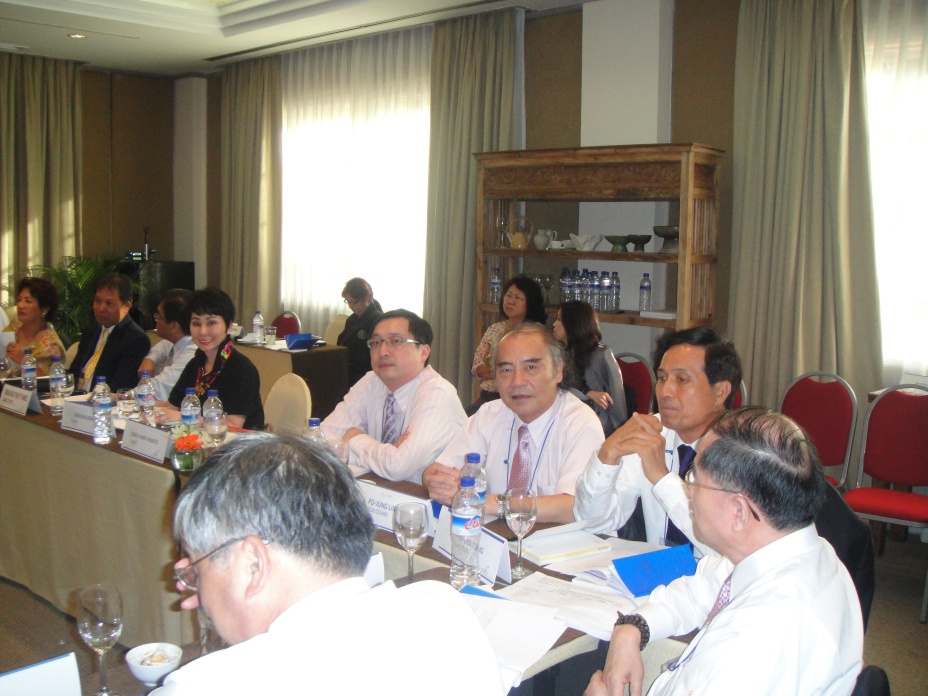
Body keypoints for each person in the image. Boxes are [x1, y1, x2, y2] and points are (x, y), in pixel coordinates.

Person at [154, 433, 505, 695]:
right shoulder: (442, 607)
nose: (192, 588)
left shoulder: (202, 686)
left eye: (195, 569)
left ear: (254, 565)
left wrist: (224, 617)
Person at [584, 408, 863, 696]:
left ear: (738, 511)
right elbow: (700, 589)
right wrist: (633, 627)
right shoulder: (790, 551)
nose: (688, 491)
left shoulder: (756, 644)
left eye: (693, 479)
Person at [573, 327, 740, 556]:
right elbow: (594, 523)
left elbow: (727, 550)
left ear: (720, 391)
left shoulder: (746, 452)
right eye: (662, 378)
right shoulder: (651, 432)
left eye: (682, 379)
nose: (665, 391)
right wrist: (607, 455)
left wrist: (662, 479)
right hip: (656, 573)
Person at [423, 323, 605, 524]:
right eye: (507, 369)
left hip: (561, 540)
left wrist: (491, 503)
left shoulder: (580, 423)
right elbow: (435, 471)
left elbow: (575, 507)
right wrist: (438, 482)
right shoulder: (489, 414)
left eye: (531, 367)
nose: (518, 381)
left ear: (558, 370)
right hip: (496, 536)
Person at [321, 309, 466, 483]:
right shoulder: (372, 381)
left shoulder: (437, 392)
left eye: (396, 341)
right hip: (379, 492)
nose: (383, 351)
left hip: (426, 497)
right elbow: (321, 438)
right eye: (376, 342)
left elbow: (397, 468)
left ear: (424, 352)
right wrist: (385, 452)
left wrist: (353, 438)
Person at [160, 288, 264, 430]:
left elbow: (233, 425)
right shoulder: (195, 364)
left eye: (211, 323)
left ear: (229, 326)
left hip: (237, 442)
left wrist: (182, 416)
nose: (203, 332)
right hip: (200, 438)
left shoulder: (242, 369)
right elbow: (171, 407)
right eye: (196, 324)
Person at [466, 275, 547, 416]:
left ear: (530, 303)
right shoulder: (494, 329)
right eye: (508, 296)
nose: (511, 301)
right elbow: (477, 366)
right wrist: (503, 371)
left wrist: (493, 368)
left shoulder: (535, 332)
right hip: (488, 396)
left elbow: (527, 370)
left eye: (518, 298)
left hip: (518, 398)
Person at [553, 300, 628, 436]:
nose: (554, 324)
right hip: (567, 421)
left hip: (598, 426)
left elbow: (618, 404)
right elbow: (557, 388)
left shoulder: (602, 355)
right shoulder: (560, 354)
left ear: (572, 324)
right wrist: (587, 393)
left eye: (558, 319)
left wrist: (618, 434)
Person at [70, 273, 151, 391]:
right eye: (97, 301)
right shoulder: (91, 331)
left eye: (109, 304)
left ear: (126, 306)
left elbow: (120, 387)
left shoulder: (136, 339)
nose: (101, 308)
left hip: (103, 400)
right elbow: (74, 373)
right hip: (75, 397)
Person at [137, 289, 195, 401]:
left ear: (174, 326)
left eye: (159, 315)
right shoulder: (181, 340)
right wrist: (149, 359)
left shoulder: (190, 354)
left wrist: (122, 396)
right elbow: (164, 345)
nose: (155, 319)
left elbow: (158, 389)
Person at [3, 277, 65, 376]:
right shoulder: (16, 324)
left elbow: (50, 380)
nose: (20, 305)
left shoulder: (51, 345)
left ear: (44, 309)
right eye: (19, 299)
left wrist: (23, 360)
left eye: (28, 301)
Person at [337, 277, 383, 388]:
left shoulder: (377, 320)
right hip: (348, 369)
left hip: (364, 374)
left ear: (367, 298)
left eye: (354, 302)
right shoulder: (352, 319)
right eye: (347, 302)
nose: (350, 306)